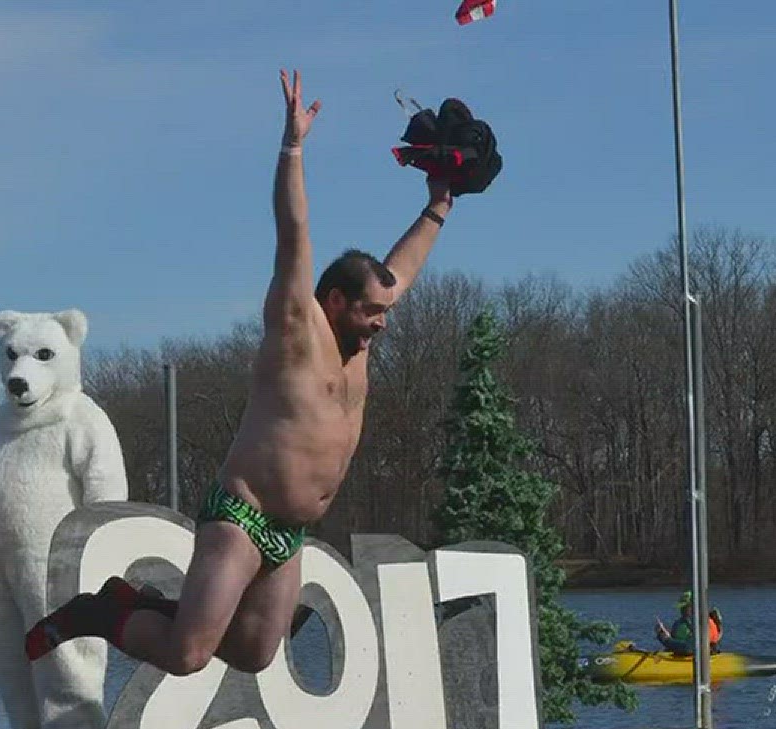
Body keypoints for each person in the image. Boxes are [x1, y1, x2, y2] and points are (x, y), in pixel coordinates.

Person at [28, 69, 460, 675]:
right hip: (243, 513)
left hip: (290, 531)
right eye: (371, 312)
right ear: (333, 300)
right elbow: (294, 231)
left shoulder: (361, 339)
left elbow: (400, 272)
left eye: (384, 313)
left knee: (255, 654)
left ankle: (142, 604)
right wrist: (293, 148)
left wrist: (439, 203)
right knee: (187, 655)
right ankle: (102, 614)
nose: (381, 324)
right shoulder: (295, 326)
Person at [654, 591, 722, 657]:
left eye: (685, 607)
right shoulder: (681, 623)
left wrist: (665, 639)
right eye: (681, 607)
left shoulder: (704, 624)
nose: (681, 610)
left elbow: (689, 648)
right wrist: (667, 635)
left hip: (698, 659)